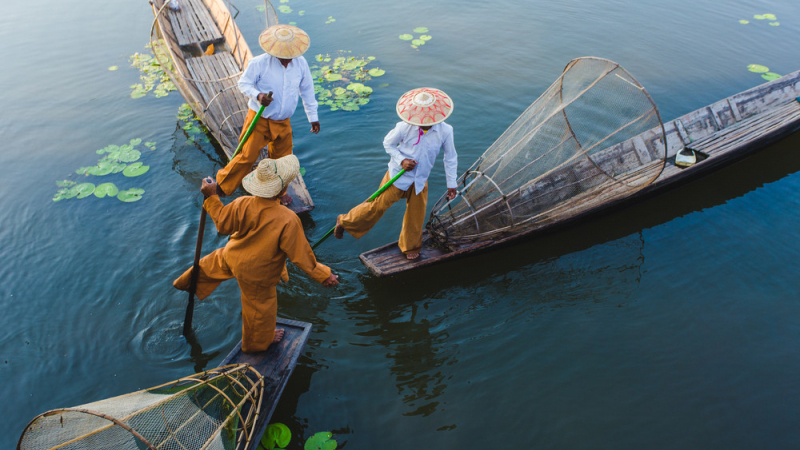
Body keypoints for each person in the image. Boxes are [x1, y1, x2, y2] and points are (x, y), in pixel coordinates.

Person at [175, 155, 339, 353]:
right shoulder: (288, 219)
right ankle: (257, 343)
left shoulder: (242, 203)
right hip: (256, 274)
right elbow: (301, 257)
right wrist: (323, 275)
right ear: (283, 190)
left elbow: (222, 223)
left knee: (212, 263)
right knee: (260, 309)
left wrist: (211, 197)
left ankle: (187, 282)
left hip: (232, 255)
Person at [334, 88, 458, 260]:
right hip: (397, 176)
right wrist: (402, 160)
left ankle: (409, 247)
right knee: (376, 206)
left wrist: (451, 183)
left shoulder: (446, 130)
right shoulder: (405, 126)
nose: (423, 122)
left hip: (420, 180)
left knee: (416, 216)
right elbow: (388, 144)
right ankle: (345, 221)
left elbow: (450, 157)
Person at [215, 24, 320, 203]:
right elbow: (244, 84)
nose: (287, 60)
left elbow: (307, 90)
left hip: (283, 121)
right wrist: (258, 95)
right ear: (275, 51)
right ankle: (221, 186)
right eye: (283, 57)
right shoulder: (259, 63)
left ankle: (277, 193)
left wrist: (313, 117)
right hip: (260, 119)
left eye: (290, 56)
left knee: (283, 160)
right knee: (247, 155)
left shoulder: (301, 63)